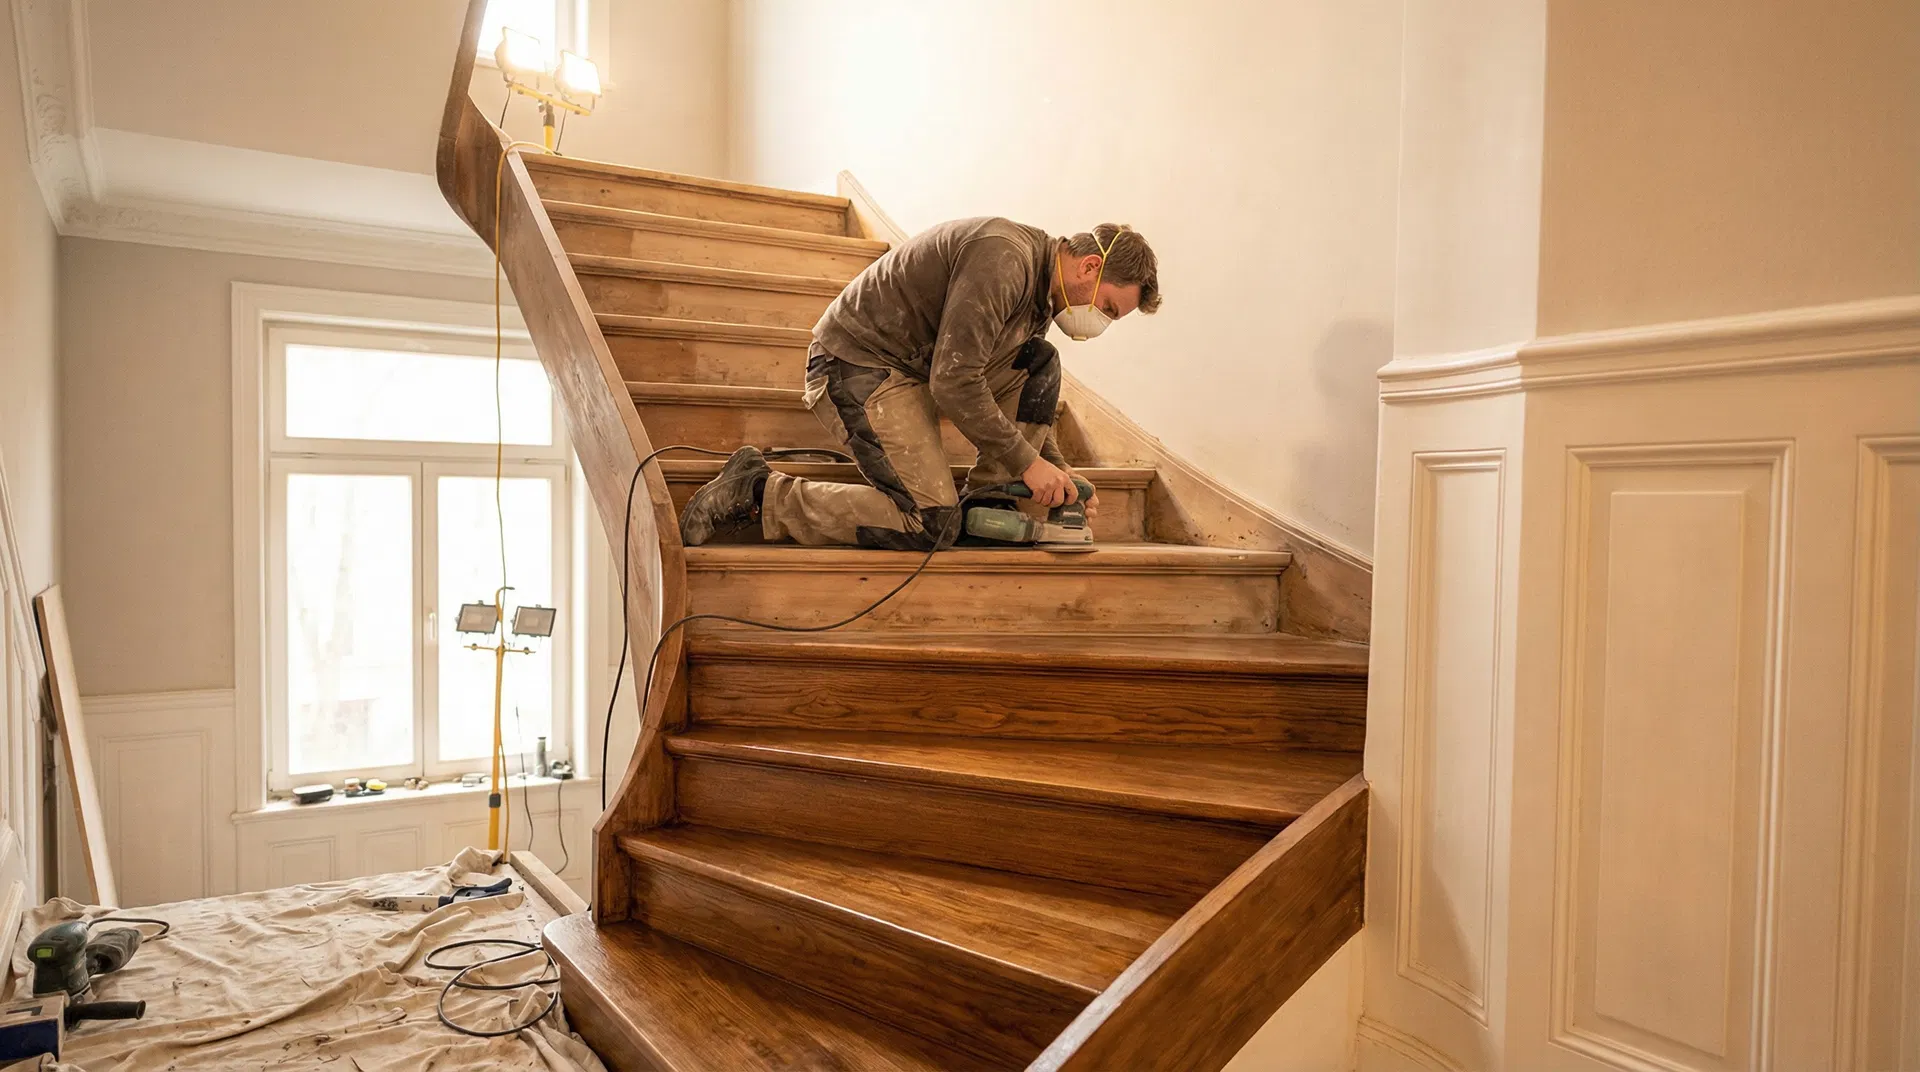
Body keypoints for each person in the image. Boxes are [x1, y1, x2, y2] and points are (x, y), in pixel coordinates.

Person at [678, 218, 1161, 549]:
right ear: (1091, 268)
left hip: (914, 371)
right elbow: (955, 381)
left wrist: (1061, 473)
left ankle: (987, 505)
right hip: (857, 365)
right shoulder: (1006, 259)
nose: (1100, 322)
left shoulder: (1039, 299)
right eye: (1108, 308)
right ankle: (759, 494)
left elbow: (1003, 397)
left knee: (1039, 361)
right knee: (929, 525)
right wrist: (1028, 464)